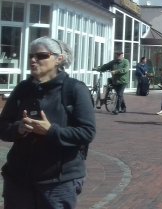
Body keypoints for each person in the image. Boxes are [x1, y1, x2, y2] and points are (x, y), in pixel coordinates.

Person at [0, 36, 96, 208]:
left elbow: (87, 133)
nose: (33, 60)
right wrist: (19, 128)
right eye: (31, 56)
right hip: (18, 179)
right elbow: (3, 126)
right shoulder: (23, 89)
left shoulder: (74, 89)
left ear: (59, 59)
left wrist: (50, 131)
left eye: (41, 55)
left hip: (58, 182)